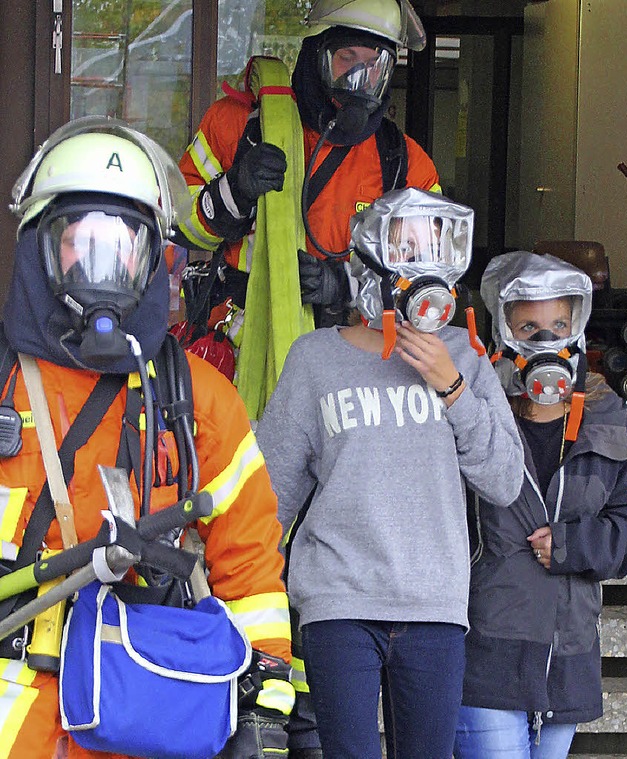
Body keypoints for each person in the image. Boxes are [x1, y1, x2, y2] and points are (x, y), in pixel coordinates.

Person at [0, 117, 294, 759]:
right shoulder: (3, 385)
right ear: (42, 247)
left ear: (150, 259)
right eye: (82, 239)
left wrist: (264, 705)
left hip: (143, 711)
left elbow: (249, 568)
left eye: (122, 243)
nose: (102, 264)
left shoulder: (199, 402)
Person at [255, 188, 524, 759]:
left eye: (433, 246)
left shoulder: (466, 357)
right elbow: (269, 493)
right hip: (338, 602)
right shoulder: (315, 358)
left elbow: (503, 480)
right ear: (368, 260)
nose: (421, 262)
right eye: (405, 245)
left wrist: (452, 387)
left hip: (435, 605)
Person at [454, 251, 627, 759]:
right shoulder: (474, 409)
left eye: (560, 323)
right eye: (530, 326)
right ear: (505, 330)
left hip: (570, 655)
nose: (547, 340)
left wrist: (572, 544)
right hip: (487, 652)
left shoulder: (607, 414)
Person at [175, 0, 442, 332]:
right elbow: (179, 224)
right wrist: (235, 190)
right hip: (245, 341)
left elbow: (430, 279)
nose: (362, 77)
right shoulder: (236, 124)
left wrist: (346, 286)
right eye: (347, 58)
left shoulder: (405, 162)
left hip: (353, 356)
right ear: (317, 54)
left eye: (376, 64)